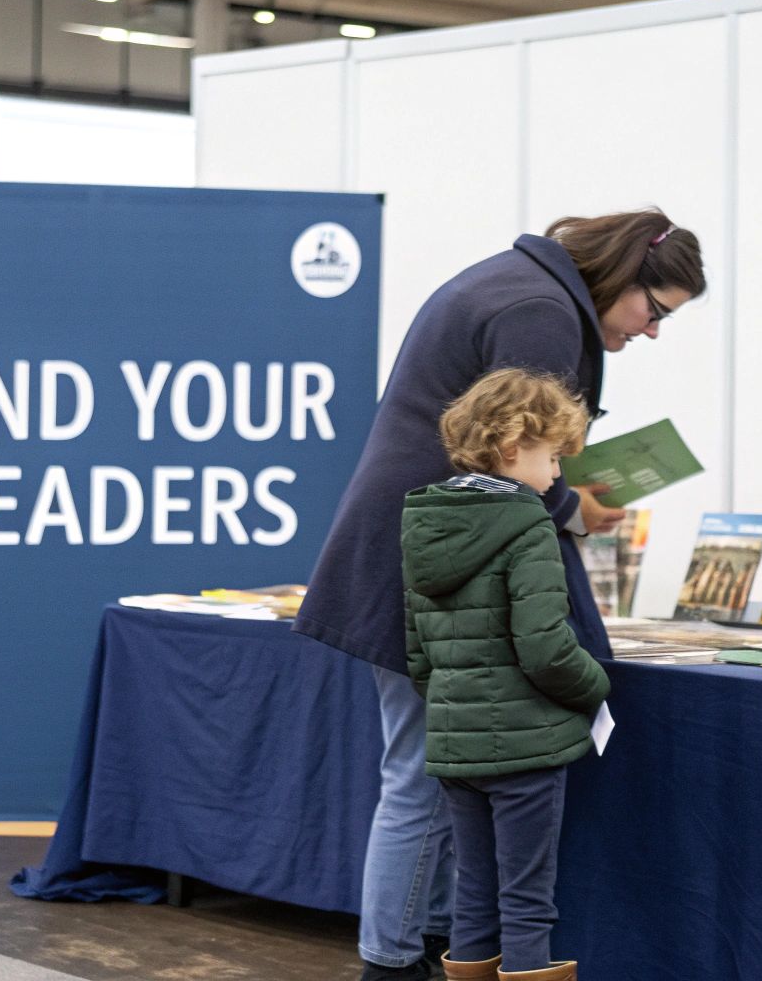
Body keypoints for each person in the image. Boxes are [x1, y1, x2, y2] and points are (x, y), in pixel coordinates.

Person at [294, 209, 705, 980]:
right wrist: (569, 507)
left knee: (431, 776)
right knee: (423, 775)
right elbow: (509, 455)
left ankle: (440, 954)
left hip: (413, 555)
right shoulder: (540, 314)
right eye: (655, 311)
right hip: (434, 575)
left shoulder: (514, 286)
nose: (651, 331)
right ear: (622, 276)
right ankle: (391, 963)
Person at [403, 369, 611, 981]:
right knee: (527, 903)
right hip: (526, 750)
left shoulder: (425, 525)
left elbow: (418, 656)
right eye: (552, 458)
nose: (555, 476)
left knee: (473, 894)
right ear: (513, 448)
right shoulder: (528, 527)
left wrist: (459, 709)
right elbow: (546, 650)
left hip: (454, 748)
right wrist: (596, 685)